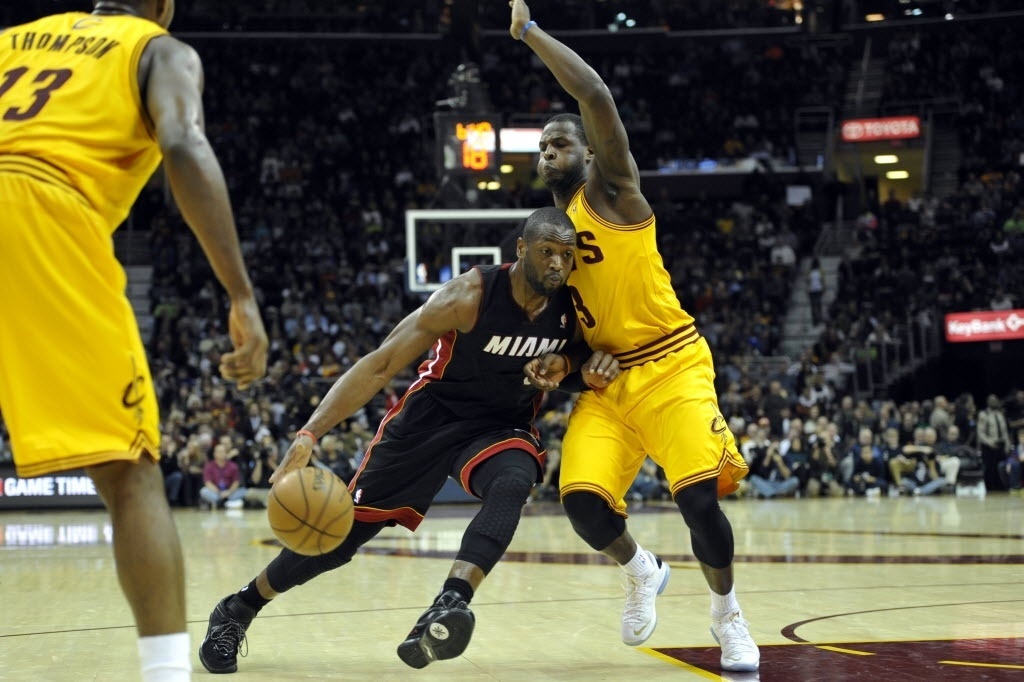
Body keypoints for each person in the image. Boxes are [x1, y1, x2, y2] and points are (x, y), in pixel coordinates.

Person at [198, 207, 620, 673]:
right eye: (547, 252)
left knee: (515, 478)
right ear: (521, 250)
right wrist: (310, 432)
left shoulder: (573, 308)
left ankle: (450, 602)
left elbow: (586, 362)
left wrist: (580, 368)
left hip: (500, 425)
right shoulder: (467, 296)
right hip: (429, 420)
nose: (558, 264)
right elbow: (381, 364)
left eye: (566, 254)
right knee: (338, 539)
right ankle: (238, 609)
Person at [0, 2, 268, 680]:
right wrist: (240, 294)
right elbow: (183, 142)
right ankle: (166, 675)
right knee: (130, 473)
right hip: (37, 210)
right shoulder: (156, 49)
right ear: (165, 6)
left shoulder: (12, 40)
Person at [510, 1, 758, 672]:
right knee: (583, 505)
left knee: (699, 501)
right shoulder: (548, 237)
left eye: (558, 143)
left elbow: (593, 92)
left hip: (672, 366)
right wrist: (564, 361)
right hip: (611, 383)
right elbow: (573, 324)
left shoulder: (613, 190)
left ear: (588, 153)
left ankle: (727, 617)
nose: (548, 153)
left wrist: (529, 33)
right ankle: (642, 569)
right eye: (542, 149)